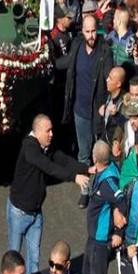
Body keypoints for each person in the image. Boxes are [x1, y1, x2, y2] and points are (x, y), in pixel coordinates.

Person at [8, 115, 89, 274]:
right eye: (48, 131)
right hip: (19, 213)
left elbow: (62, 159)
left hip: (35, 213)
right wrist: (74, 178)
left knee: (34, 260)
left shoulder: (45, 147)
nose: (52, 134)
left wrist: (86, 169)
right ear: (37, 132)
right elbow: (49, 167)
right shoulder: (30, 148)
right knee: (13, 261)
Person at [58, 14, 114, 164]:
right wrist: (49, 63)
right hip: (80, 111)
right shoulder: (76, 45)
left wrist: (107, 104)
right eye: (88, 31)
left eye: (94, 31)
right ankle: (85, 185)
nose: (91, 36)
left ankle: (98, 185)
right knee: (83, 154)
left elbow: (110, 80)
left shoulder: (104, 51)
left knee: (100, 155)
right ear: (82, 31)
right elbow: (67, 62)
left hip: (97, 110)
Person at [84, 140, 124, 274]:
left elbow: (121, 200)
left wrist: (119, 232)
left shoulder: (108, 182)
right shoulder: (107, 169)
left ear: (94, 158)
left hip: (101, 241)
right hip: (93, 237)